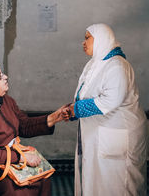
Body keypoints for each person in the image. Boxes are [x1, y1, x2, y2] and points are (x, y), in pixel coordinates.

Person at [62, 23, 148, 196]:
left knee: (117, 185)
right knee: (98, 183)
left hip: (117, 135)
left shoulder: (117, 66)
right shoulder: (96, 64)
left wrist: (75, 110)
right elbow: (84, 95)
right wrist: (71, 110)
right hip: (101, 134)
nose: (83, 42)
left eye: (87, 38)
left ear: (101, 39)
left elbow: (111, 99)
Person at [0, 63, 65, 196]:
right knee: (19, 190)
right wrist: (21, 157)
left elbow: (23, 125)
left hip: (14, 157)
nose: (6, 77)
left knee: (44, 176)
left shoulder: (7, 101)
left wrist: (53, 118)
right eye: (0, 76)